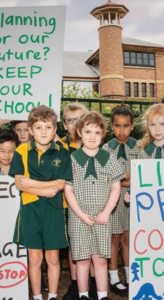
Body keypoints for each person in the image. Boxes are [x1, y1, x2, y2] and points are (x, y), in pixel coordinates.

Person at [10, 105, 72, 300]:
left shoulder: (63, 150)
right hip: (30, 208)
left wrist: (33, 184)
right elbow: (20, 184)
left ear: (55, 130)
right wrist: (44, 190)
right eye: (38, 127)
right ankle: (37, 296)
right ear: (30, 130)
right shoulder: (21, 150)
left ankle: (52, 295)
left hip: (54, 209)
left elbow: (61, 183)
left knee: (53, 257)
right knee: (34, 258)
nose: (43, 132)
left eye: (48, 127)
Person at [64, 111, 125, 300]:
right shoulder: (72, 159)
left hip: (102, 217)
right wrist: (81, 215)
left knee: (100, 260)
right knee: (82, 259)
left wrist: (107, 212)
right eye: (88, 131)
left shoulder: (109, 158)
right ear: (79, 132)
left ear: (103, 135)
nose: (92, 137)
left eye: (97, 133)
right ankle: (82, 295)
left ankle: (102, 295)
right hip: (79, 217)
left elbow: (116, 187)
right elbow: (68, 190)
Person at [102, 104, 137, 296]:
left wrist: (123, 178)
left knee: (128, 238)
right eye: (117, 126)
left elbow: (143, 175)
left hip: (134, 199)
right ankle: (114, 279)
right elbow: (107, 178)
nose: (121, 130)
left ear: (132, 126)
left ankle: (131, 278)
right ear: (111, 126)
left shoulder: (140, 146)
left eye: (125, 126)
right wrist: (127, 177)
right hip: (113, 202)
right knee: (113, 239)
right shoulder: (106, 148)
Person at [60, 102, 90, 300]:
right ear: (64, 125)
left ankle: (94, 283)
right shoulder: (61, 147)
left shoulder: (94, 143)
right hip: (68, 204)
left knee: (94, 246)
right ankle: (74, 284)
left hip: (92, 202)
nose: (75, 124)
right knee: (74, 246)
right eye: (70, 120)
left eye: (79, 119)